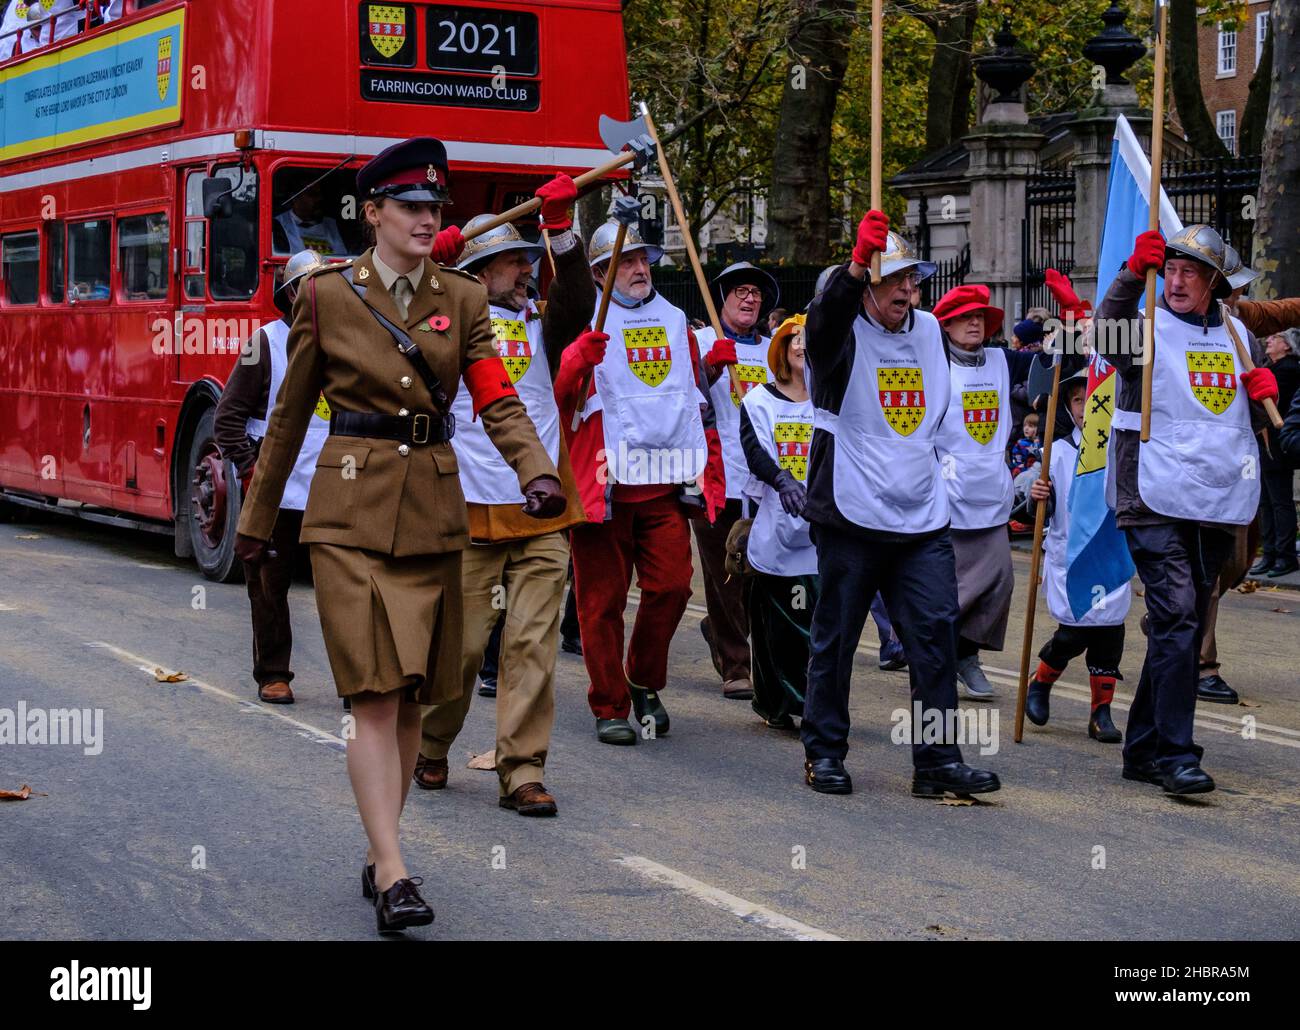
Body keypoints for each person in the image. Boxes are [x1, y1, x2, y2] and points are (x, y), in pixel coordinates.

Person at [233, 138, 564, 932]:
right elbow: (284, 423)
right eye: (410, 206)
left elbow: (497, 397)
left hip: (433, 511)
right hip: (347, 512)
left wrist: (536, 471)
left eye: (434, 208)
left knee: (418, 693)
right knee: (374, 697)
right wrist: (254, 522)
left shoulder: (464, 298)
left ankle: (384, 847)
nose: (425, 218)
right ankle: (394, 871)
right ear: (372, 211)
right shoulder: (325, 297)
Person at [798, 210, 1001, 798]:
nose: (909, 292)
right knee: (835, 639)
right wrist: (854, 265)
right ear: (868, 284)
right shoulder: (837, 331)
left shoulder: (930, 330)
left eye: (914, 281)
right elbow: (824, 321)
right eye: (895, 280)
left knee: (935, 638)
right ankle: (826, 752)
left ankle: (936, 760)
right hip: (851, 512)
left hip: (920, 516)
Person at [414, 195, 590, 816]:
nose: (525, 272)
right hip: (468, 509)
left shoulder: (546, 323)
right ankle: (431, 742)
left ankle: (522, 770)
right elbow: (380, 308)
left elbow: (576, 298)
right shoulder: (442, 323)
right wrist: (423, 272)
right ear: (478, 275)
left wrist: (563, 234)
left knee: (533, 646)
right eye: (512, 263)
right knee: (459, 652)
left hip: (543, 512)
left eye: (526, 260)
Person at [1096, 223, 1277, 794]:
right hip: (1149, 492)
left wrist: (1269, 397)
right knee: (1176, 615)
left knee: (1184, 622)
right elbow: (1106, 335)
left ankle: (1143, 748)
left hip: (1216, 497)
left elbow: (1236, 419)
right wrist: (1129, 276)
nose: (1175, 281)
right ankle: (1176, 753)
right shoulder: (1145, 328)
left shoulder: (1235, 334)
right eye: (1169, 270)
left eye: (1190, 272)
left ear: (1216, 283)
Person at [553, 220, 725, 745]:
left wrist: (710, 372)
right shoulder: (580, 321)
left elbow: (685, 397)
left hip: (664, 486)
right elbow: (561, 399)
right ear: (602, 273)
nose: (640, 268)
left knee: (672, 588)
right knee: (599, 604)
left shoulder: (676, 321)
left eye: (644, 260)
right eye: (627, 262)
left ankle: (643, 679)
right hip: (604, 487)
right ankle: (609, 703)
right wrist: (575, 362)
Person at [215, 250, 329, 705]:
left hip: (335, 486)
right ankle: (273, 673)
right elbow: (227, 420)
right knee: (267, 585)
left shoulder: (350, 343)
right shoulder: (264, 342)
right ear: (291, 295)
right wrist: (250, 469)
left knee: (347, 590)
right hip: (276, 489)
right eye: (311, 287)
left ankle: (355, 682)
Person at [931, 283, 1045, 701]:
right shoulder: (932, 361)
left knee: (999, 580)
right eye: (965, 316)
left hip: (990, 493)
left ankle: (964, 653)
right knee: (947, 590)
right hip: (944, 494)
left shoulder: (1002, 359)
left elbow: (1052, 364)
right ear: (946, 325)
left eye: (980, 316)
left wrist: (1068, 323)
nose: (975, 322)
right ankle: (936, 657)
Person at [1016, 369, 1128, 742]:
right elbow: (1039, 514)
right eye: (1079, 400)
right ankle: (1042, 679)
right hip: (1072, 553)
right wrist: (1038, 499)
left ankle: (1101, 713)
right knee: (1075, 633)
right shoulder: (1058, 450)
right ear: (1068, 406)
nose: (1087, 406)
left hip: (1109, 550)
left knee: (1110, 633)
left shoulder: (1122, 446)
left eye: (1094, 397)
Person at [693, 262, 780, 701]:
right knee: (724, 574)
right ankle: (735, 663)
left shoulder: (775, 350)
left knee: (760, 574)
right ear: (722, 297)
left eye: (757, 294)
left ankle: (738, 640)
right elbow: (677, 399)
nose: (750, 299)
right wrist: (706, 372)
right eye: (741, 291)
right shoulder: (701, 341)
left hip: (766, 481)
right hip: (716, 476)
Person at [739, 314, 815, 729]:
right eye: (794, 341)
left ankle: (815, 701)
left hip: (822, 536)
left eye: (809, 340)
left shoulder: (830, 400)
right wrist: (782, 479)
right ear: (782, 349)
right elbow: (756, 452)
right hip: (778, 535)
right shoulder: (758, 402)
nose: (803, 347)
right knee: (779, 631)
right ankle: (778, 703)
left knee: (817, 629)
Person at [1251, 328, 1300, 577]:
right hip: (1268, 444)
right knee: (1267, 501)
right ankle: (1270, 553)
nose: (1269, 339)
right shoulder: (1273, 368)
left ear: (1288, 347)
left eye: (1276, 337)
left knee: (1279, 502)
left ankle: (1284, 556)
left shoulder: (1288, 370)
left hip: (1279, 445)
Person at [275, 177, 350, 258]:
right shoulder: (278, 225)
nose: (319, 199)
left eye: (320, 194)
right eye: (312, 194)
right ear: (295, 197)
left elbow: (346, 259)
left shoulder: (334, 225)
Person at [1009, 412, 1041, 478]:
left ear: (1038, 429)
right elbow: (1017, 462)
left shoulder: (1040, 443)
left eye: (1030, 426)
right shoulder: (1021, 444)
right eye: (1025, 425)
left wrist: (1037, 442)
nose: (1026, 428)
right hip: (1022, 474)